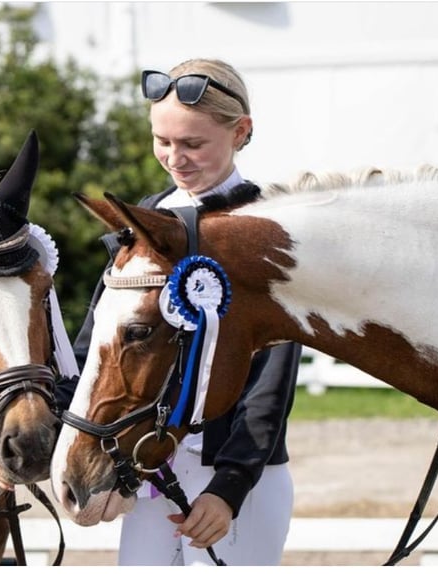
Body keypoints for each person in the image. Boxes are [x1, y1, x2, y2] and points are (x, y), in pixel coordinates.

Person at [71, 58, 302, 566]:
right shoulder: (141, 222)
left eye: (193, 144)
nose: (175, 158)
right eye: (163, 141)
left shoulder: (266, 228)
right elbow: (94, 354)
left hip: (239, 476)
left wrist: (230, 488)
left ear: (240, 131)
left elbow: (272, 385)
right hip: (151, 473)